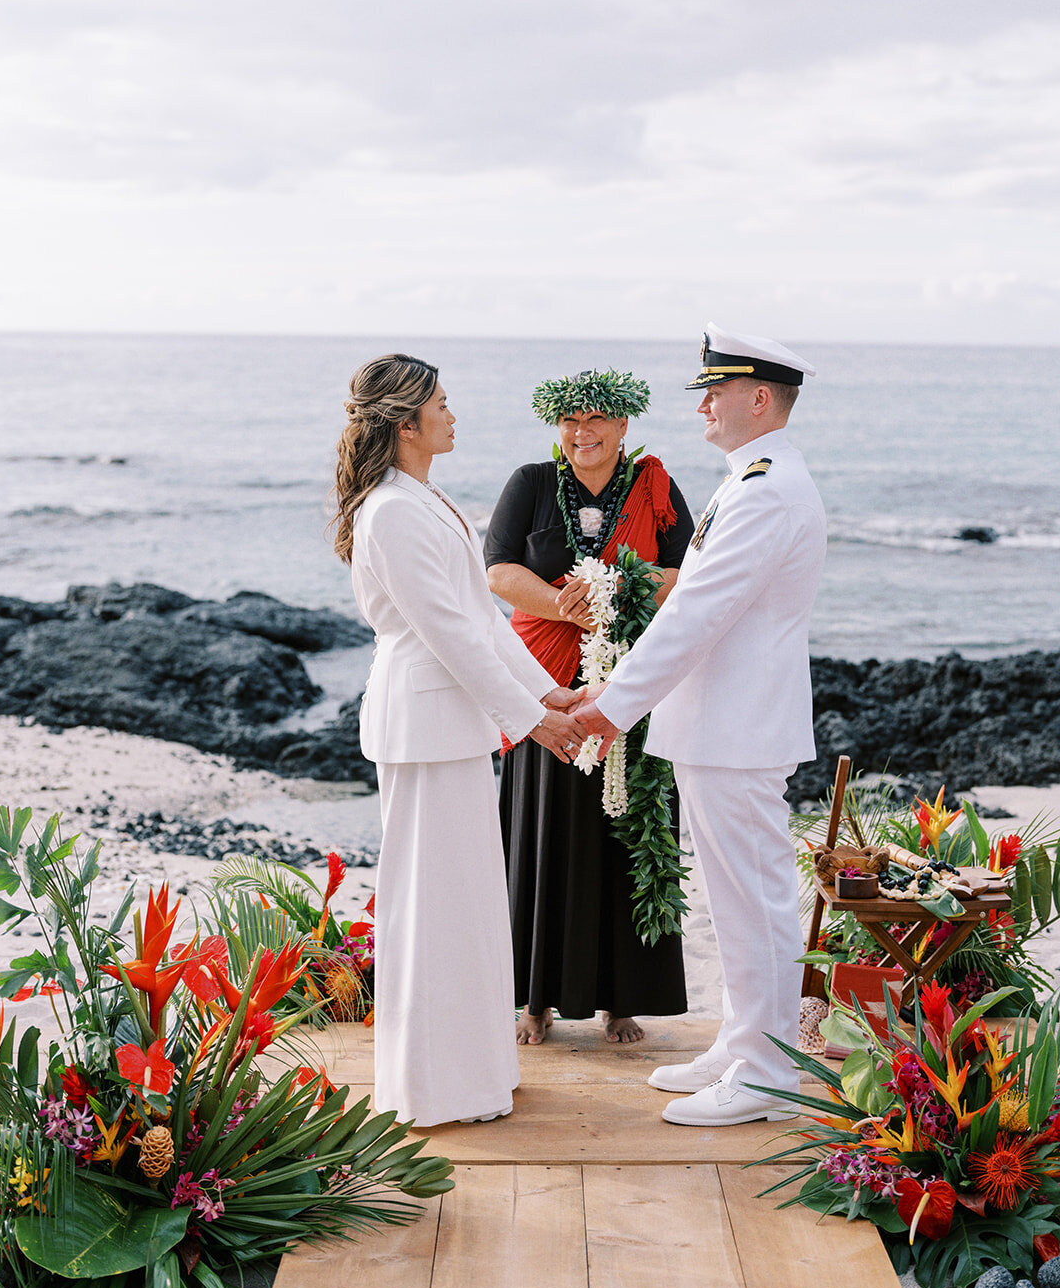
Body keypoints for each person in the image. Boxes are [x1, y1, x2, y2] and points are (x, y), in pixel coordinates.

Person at [573, 324, 827, 1127]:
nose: (703, 404)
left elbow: (697, 615)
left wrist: (611, 707)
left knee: (753, 900)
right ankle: (743, 1042)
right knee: (734, 899)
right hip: (723, 725)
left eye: (716, 391)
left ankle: (766, 1074)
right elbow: (693, 609)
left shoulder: (767, 488)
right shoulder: (750, 479)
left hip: (739, 728)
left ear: (761, 398)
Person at [332, 352, 584, 1126]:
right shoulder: (391, 511)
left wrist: (549, 691)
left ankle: (475, 1074)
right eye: (441, 403)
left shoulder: (423, 498)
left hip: (455, 727)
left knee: (470, 906)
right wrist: (533, 720)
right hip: (422, 726)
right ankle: (434, 1089)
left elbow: (481, 618)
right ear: (407, 422)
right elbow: (447, 634)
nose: (453, 412)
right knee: (432, 909)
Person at [485, 369, 694, 1044]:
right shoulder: (531, 484)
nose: (582, 433)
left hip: (629, 681)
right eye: (570, 422)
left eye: (596, 420)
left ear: (624, 425)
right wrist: (564, 604)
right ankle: (534, 999)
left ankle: (621, 997)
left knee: (626, 832)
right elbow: (497, 569)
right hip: (542, 681)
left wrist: (615, 591)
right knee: (541, 831)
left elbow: (686, 572)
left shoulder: (655, 487)